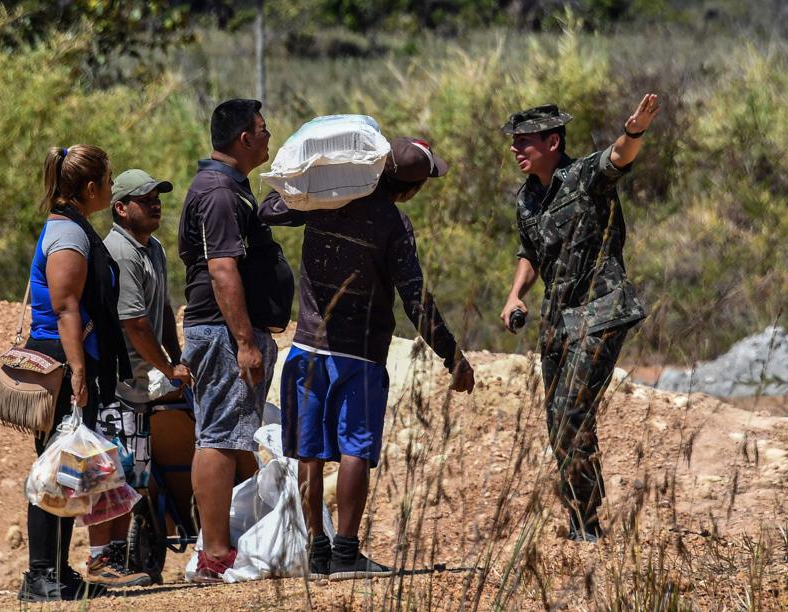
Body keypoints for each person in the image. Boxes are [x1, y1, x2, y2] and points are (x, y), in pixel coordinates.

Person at [260, 136, 476, 580]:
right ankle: (346, 552)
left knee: (309, 452)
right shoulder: (393, 223)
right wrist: (452, 355)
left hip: (306, 350)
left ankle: (317, 548)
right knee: (354, 449)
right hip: (359, 357)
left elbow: (269, 209)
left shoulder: (324, 200)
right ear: (410, 189)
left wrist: (311, 176)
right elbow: (415, 298)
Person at [498, 95, 661, 542]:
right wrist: (515, 294)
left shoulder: (584, 175)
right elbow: (530, 253)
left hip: (600, 311)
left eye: (524, 142)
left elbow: (618, 157)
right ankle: (581, 519)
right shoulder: (527, 198)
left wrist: (634, 131)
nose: (515, 149)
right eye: (514, 141)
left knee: (573, 411)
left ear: (552, 142)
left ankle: (587, 524)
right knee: (558, 421)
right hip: (557, 321)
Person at [19, 144, 135, 601]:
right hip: (63, 364)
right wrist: (80, 372)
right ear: (90, 188)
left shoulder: (73, 227)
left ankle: (57, 572)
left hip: (70, 361)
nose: (112, 186)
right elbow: (66, 307)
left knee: (68, 469)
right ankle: (40, 576)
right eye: (108, 180)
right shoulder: (69, 234)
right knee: (53, 466)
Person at [177, 99, 281, 582]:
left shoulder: (230, 188)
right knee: (218, 436)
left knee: (228, 433)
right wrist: (244, 341)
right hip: (222, 333)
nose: (268, 136)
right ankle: (214, 553)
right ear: (244, 138)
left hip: (226, 331)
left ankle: (224, 543)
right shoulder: (219, 193)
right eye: (263, 129)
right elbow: (222, 269)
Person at [84, 169, 193, 586]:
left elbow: (160, 308)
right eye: (145, 199)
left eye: (157, 197)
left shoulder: (154, 249)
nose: (155, 204)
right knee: (110, 475)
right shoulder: (119, 252)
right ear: (120, 208)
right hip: (116, 385)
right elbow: (134, 323)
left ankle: (119, 559)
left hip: (140, 386)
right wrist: (168, 368)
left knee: (134, 477)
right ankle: (101, 560)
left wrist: (176, 358)